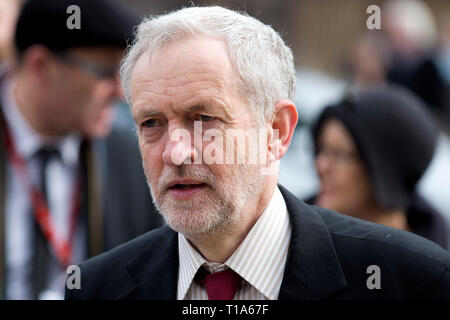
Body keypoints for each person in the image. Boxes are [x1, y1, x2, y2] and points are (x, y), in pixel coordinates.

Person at [66, 6, 450, 300]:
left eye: (203, 118)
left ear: (276, 131)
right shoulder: (96, 288)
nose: (175, 152)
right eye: (151, 123)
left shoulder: (413, 281)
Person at [0, 0, 162, 300]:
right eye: (105, 72)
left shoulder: (133, 160)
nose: (121, 93)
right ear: (40, 66)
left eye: (125, 74)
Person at [311, 85, 450, 250]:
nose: (321, 165)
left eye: (339, 154)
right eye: (322, 150)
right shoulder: (293, 236)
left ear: (386, 172)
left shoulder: (430, 268)